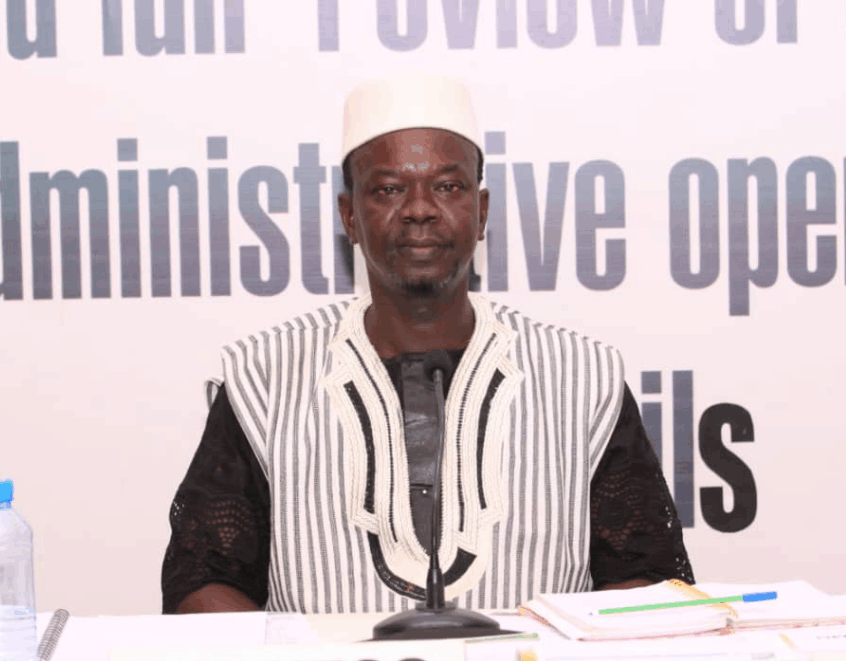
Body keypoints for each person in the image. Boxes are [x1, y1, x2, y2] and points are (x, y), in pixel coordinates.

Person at [161, 76, 693, 615]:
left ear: (481, 213)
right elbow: (202, 583)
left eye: (448, 187)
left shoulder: (581, 378)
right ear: (350, 217)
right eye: (388, 189)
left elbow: (647, 582)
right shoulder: (265, 378)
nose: (419, 209)